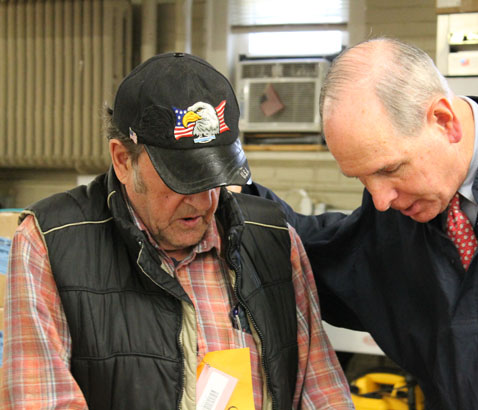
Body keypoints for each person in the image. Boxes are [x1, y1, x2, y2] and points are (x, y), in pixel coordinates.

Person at [243, 38, 478, 409]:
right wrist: (239, 192)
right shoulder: (396, 209)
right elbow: (327, 256)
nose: (380, 200)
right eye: (361, 179)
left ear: (443, 120)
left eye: (389, 169)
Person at [0, 52, 354, 410]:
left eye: (216, 179)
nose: (204, 203)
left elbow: (322, 391)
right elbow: (40, 400)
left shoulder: (274, 237)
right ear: (123, 160)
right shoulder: (51, 243)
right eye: (182, 181)